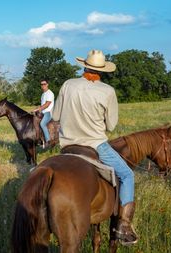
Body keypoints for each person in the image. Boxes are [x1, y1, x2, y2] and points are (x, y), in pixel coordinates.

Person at [52, 49, 138, 245]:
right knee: (127, 175)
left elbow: (56, 116)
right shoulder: (107, 91)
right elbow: (111, 125)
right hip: (96, 145)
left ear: (84, 66)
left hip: (68, 146)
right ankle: (124, 225)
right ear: (103, 71)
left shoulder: (68, 85)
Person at [32, 80, 55, 148]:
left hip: (49, 112)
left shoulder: (50, 93)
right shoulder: (43, 94)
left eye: (44, 84)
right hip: (43, 112)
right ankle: (38, 139)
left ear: (47, 84)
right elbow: (42, 104)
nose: (43, 85)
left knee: (42, 124)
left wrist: (38, 109)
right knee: (34, 119)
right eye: (41, 84)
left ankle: (48, 141)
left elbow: (47, 104)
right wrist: (36, 109)